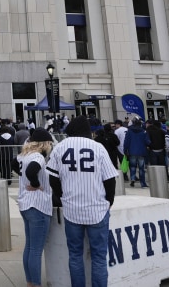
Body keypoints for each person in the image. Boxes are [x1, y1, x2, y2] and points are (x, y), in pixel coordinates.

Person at [47, 116, 117, 287]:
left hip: (72, 209)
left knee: (75, 255)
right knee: (99, 257)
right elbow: (110, 180)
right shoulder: (98, 147)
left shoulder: (60, 147)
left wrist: (62, 195)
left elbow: (53, 178)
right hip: (97, 208)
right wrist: (109, 201)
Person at [15, 128, 54, 287]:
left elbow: (13, 164)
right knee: (36, 250)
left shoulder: (23, 155)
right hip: (38, 204)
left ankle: (30, 282)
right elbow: (32, 170)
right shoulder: (38, 157)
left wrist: (26, 181)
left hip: (25, 203)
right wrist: (36, 184)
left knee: (30, 246)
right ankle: (35, 283)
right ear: (44, 144)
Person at [123, 118, 150, 188]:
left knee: (132, 167)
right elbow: (148, 142)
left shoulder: (129, 131)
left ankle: (132, 179)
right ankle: (143, 183)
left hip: (132, 151)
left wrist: (125, 150)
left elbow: (126, 142)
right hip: (141, 151)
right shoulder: (144, 132)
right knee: (141, 168)